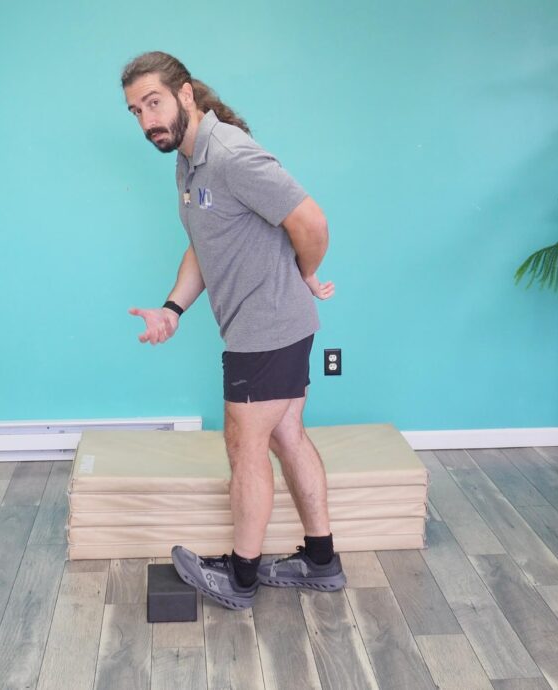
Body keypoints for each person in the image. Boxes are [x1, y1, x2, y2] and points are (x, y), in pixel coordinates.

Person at [121, 51, 346, 610]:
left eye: (154, 102)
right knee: (287, 434)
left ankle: (240, 579)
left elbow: (311, 222)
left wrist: (305, 272)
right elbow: (205, 242)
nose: (147, 120)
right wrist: (172, 308)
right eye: (135, 111)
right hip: (273, 326)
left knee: (246, 449)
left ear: (186, 95)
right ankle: (321, 561)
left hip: (265, 330)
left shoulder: (229, 155)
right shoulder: (188, 160)